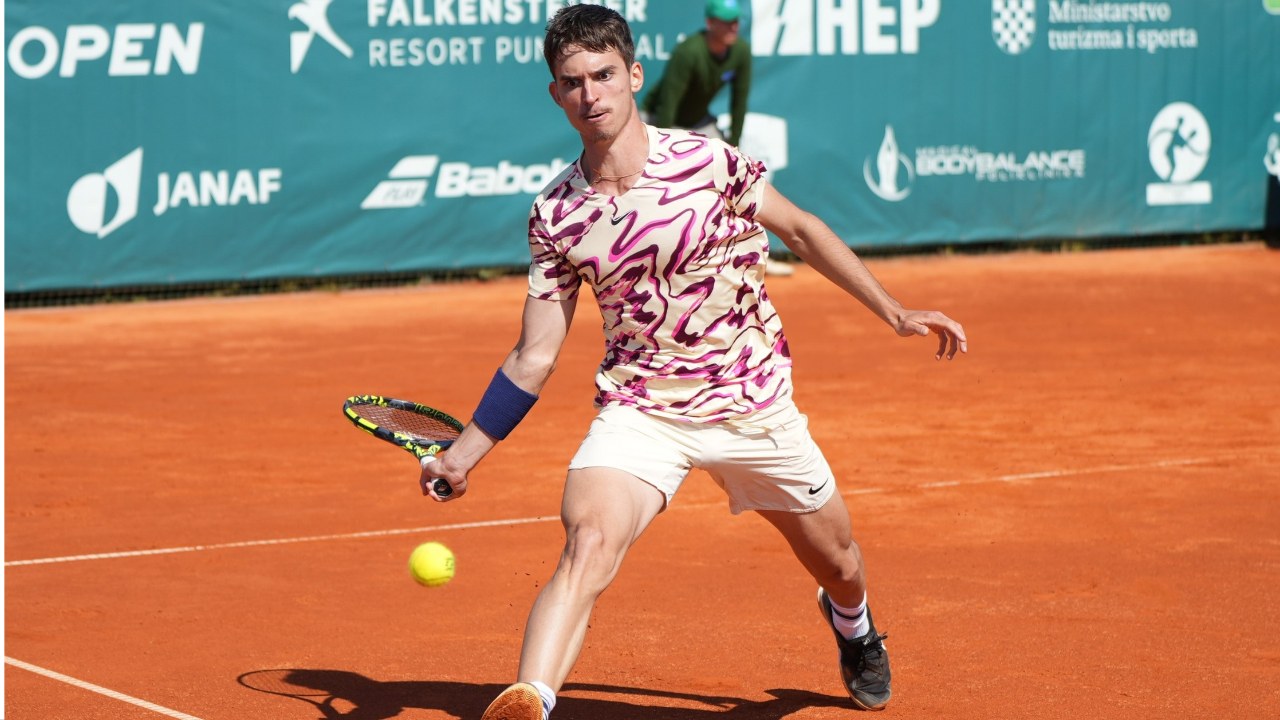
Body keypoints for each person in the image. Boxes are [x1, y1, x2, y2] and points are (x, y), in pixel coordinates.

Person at [418, 6, 967, 719]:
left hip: (752, 402)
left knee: (840, 562)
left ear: (634, 75)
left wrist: (894, 311)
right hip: (641, 410)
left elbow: (800, 229)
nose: (590, 94)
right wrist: (464, 454)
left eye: (604, 75)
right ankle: (531, 700)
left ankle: (853, 625)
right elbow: (535, 354)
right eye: (573, 82)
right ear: (555, 94)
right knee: (588, 542)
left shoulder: (708, 162)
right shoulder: (555, 213)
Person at [640, 0, 800, 277]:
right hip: (660, 119)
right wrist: (659, 148)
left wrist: (733, 148)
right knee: (651, 185)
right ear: (710, 23)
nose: (733, 27)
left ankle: (754, 254)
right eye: (726, 22)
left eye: (736, 21)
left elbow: (739, 102)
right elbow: (668, 104)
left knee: (738, 178)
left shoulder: (740, 51)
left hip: (699, 122)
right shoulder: (689, 52)